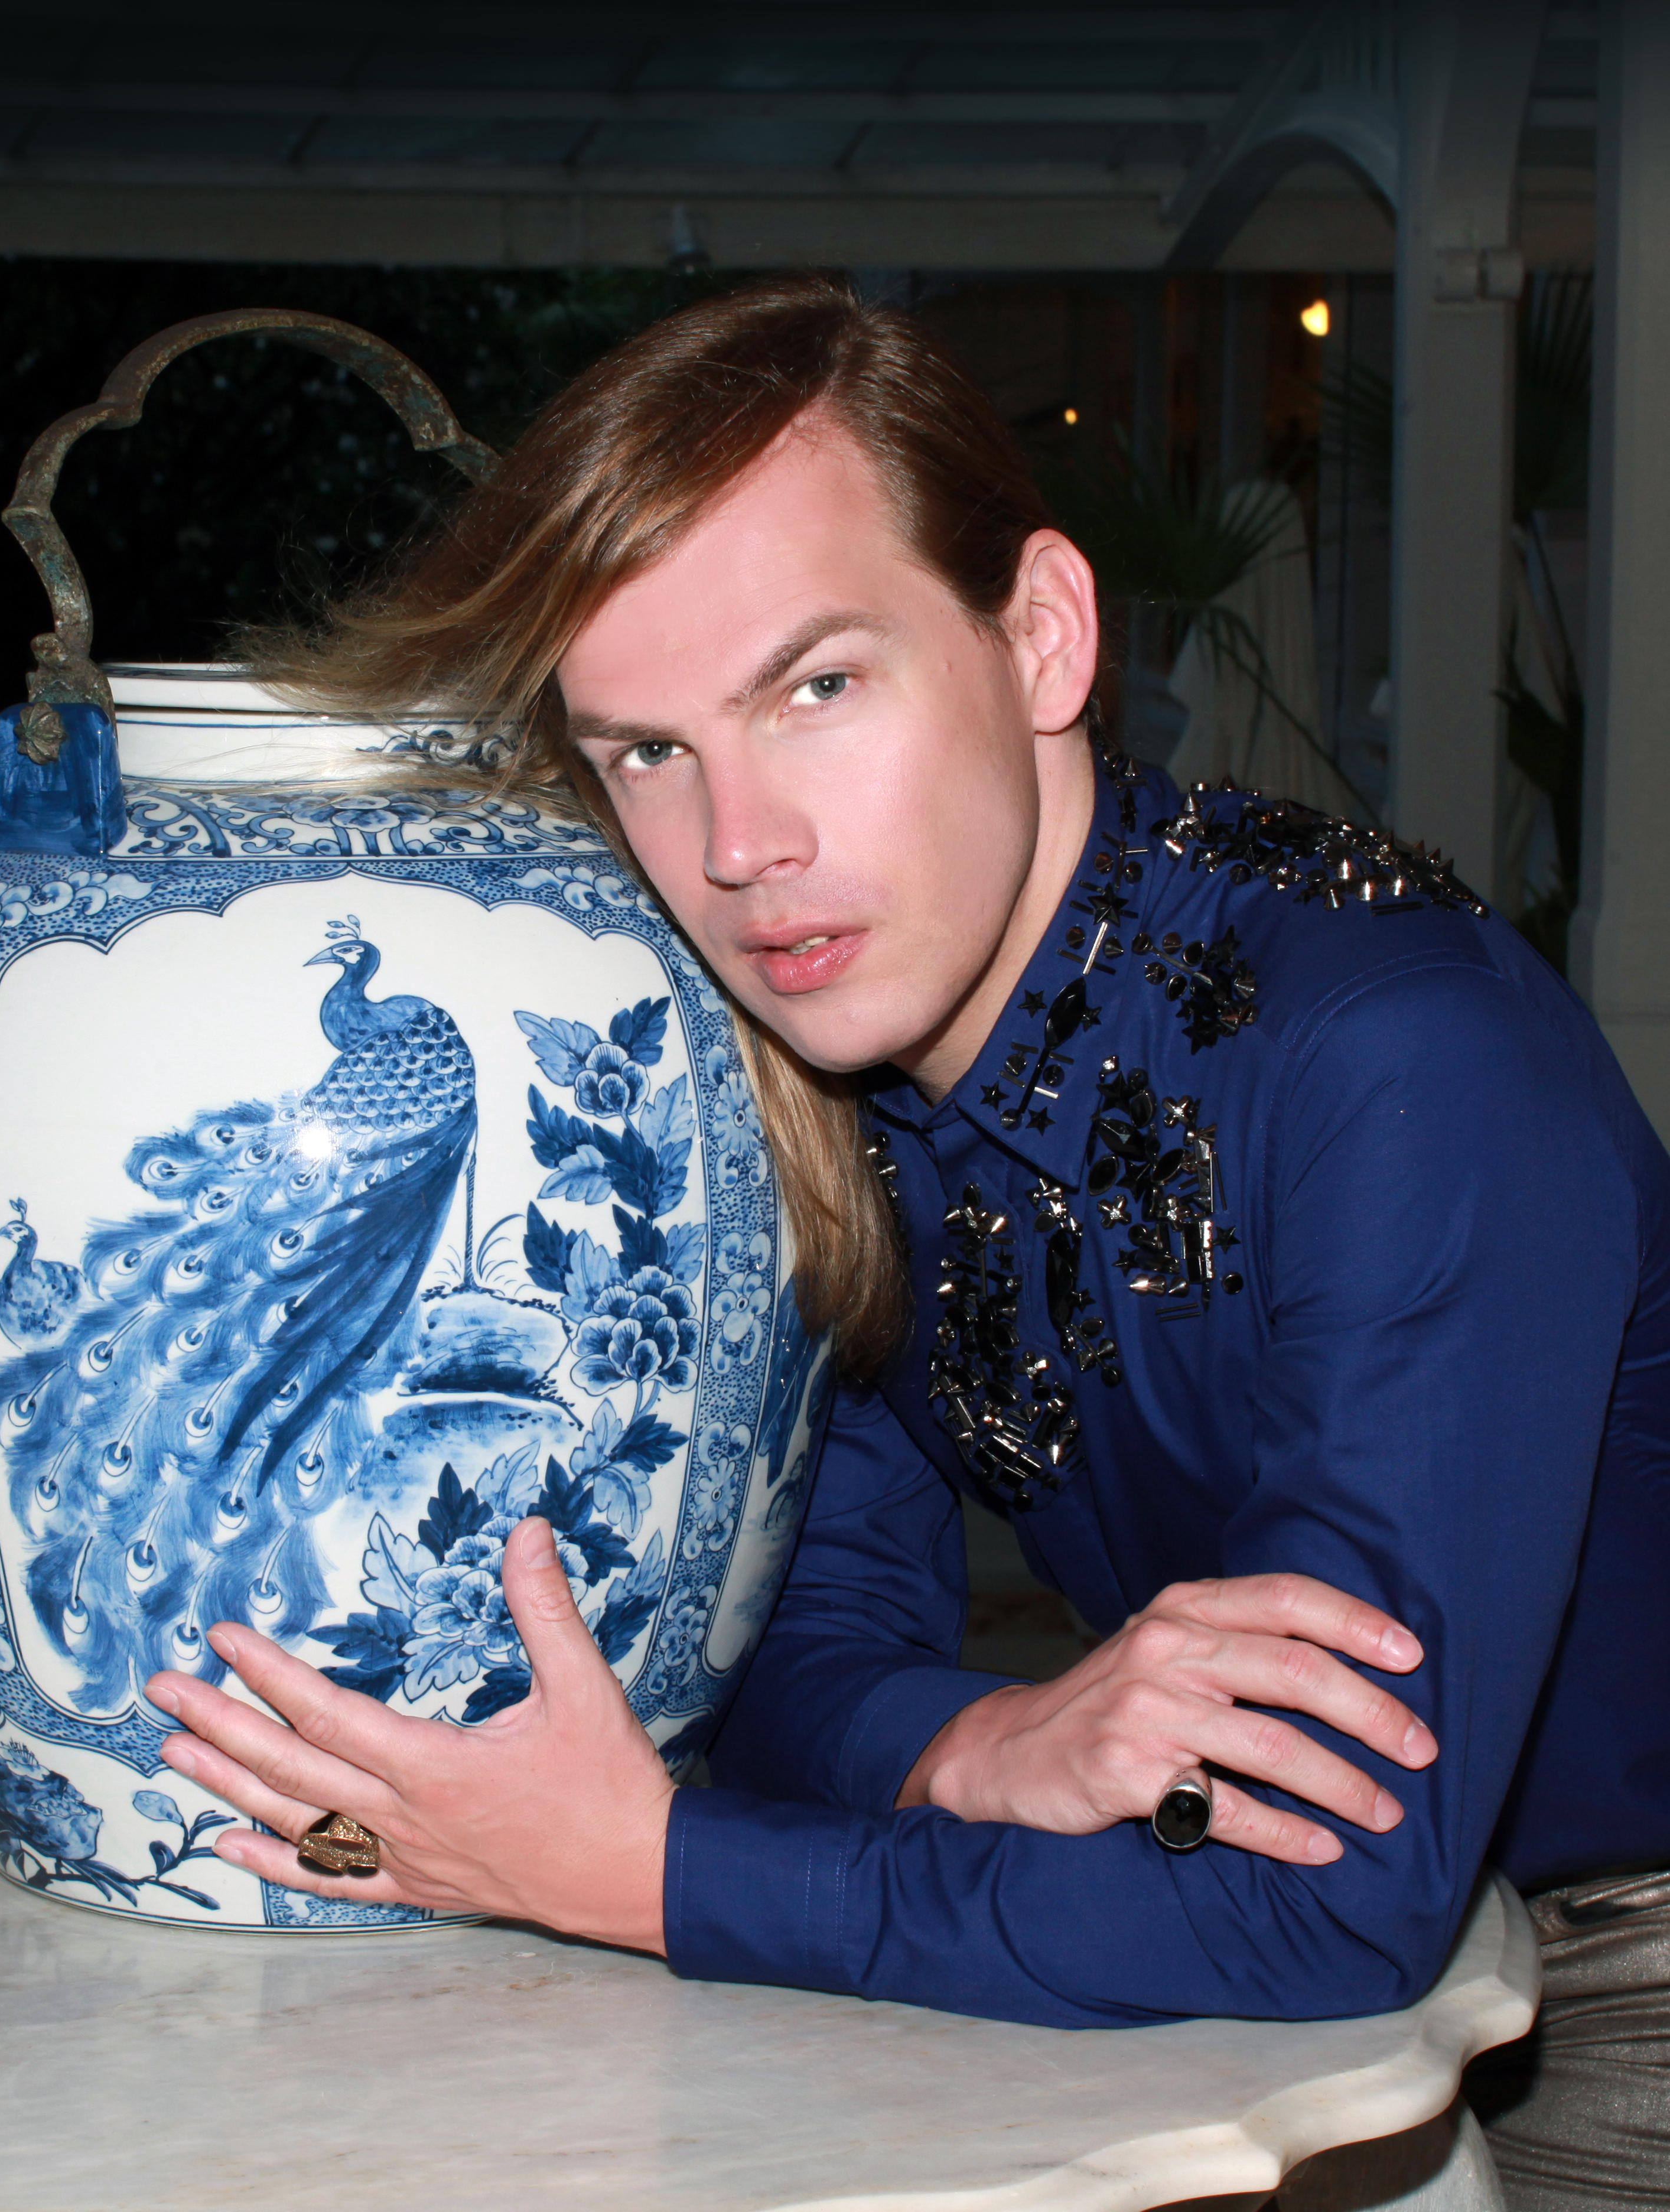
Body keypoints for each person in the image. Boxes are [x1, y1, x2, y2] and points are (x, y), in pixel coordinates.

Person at [146, 277, 1670, 2208]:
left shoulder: (1399, 1060)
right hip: (1299, 1974)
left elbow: (1321, 1908)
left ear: (1039, 636)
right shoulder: (833, 1086)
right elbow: (796, 1663)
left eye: (816, 689)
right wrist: (984, 1737)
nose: (739, 845)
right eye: (645, 751)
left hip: (1620, 1982)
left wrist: (639, 1871)